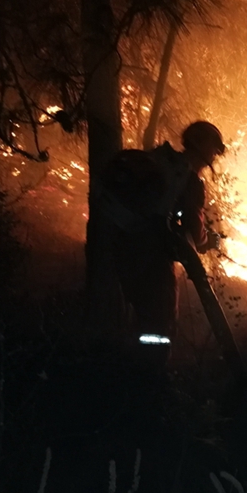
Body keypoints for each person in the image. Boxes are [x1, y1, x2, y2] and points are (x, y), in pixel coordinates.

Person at [101, 121, 225, 357]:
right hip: (153, 256)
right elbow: (195, 230)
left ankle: (127, 363)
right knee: (159, 320)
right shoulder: (189, 179)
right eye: (213, 150)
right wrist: (210, 241)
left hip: (122, 245)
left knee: (138, 314)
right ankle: (151, 369)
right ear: (204, 147)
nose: (213, 157)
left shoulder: (160, 163)